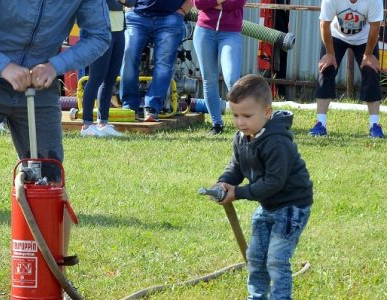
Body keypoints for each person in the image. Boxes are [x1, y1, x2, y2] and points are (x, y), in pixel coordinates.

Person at [0, 1, 110, 298]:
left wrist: (55, 66)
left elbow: (100, 36)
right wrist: (3, 66)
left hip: (40, 87)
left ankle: (57, 278)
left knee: (52, 183)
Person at [214, 74, 313, 299]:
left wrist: (238, 193)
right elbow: (236, 167)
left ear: (267, 112)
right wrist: (225, 182)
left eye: (247, 116)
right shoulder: (242, 137)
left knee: (276, 260)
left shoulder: (277, 141)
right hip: (268, 204)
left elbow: (274, 183)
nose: (240, 122)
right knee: (256, 258)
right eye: (235, 115)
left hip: (291, 206)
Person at [310, 0, 385, 138]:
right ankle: (320, 123)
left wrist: (368, 55)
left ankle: (374, 125)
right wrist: (330, 54)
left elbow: (375, 27)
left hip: (365, 38)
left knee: (371, 71)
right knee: (326, 69)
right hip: (336, 35)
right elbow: (324, 24)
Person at [119, 0, 192, 122]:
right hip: (137, 16)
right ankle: (129, 106)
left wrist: (183, 10)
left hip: (170, 17)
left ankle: (152, 107)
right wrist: (127, 7)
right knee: (128, 56)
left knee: (164, 64)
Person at [81, 0, 136, 137]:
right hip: (100, 32)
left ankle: (103, 123)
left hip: (119, 31)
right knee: (95, 78)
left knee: (110, 80)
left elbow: (131, 2)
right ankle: (87, 125)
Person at [192, 0, 246, 134]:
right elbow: (198, 3)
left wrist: (211, 3)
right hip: (204, 31)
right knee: (209, 80)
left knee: (232, 79)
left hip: (230, 33)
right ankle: (217, 124)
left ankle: (246, 121)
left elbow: (237, 3)